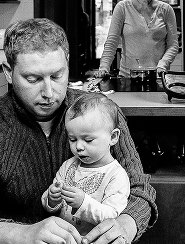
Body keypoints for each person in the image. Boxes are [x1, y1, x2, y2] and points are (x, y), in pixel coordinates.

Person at [0, 18, 157, 244]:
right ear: (9, 73)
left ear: (67, 65)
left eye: (57, 76)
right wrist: (21, 236)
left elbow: (140, 190)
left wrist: (125, 225)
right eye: (33, 79)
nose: (49, 93)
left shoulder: (103, 116)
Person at [41, 93, 130, 236]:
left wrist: (83, 203)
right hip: (64, 241)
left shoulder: (116, 175)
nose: (79, 147)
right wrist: (52, 200)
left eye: (88, 140)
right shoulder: (68, 166)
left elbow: (112, 217)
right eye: (72, 139)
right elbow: (54, 208)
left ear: (113, 137)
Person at [96, 0, 179, 77]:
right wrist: (104, 67)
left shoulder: (166, 9)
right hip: (127, 77)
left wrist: (163, 65)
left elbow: (173, 45)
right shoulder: (122, 8)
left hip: (158, 77)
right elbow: (112, 42)